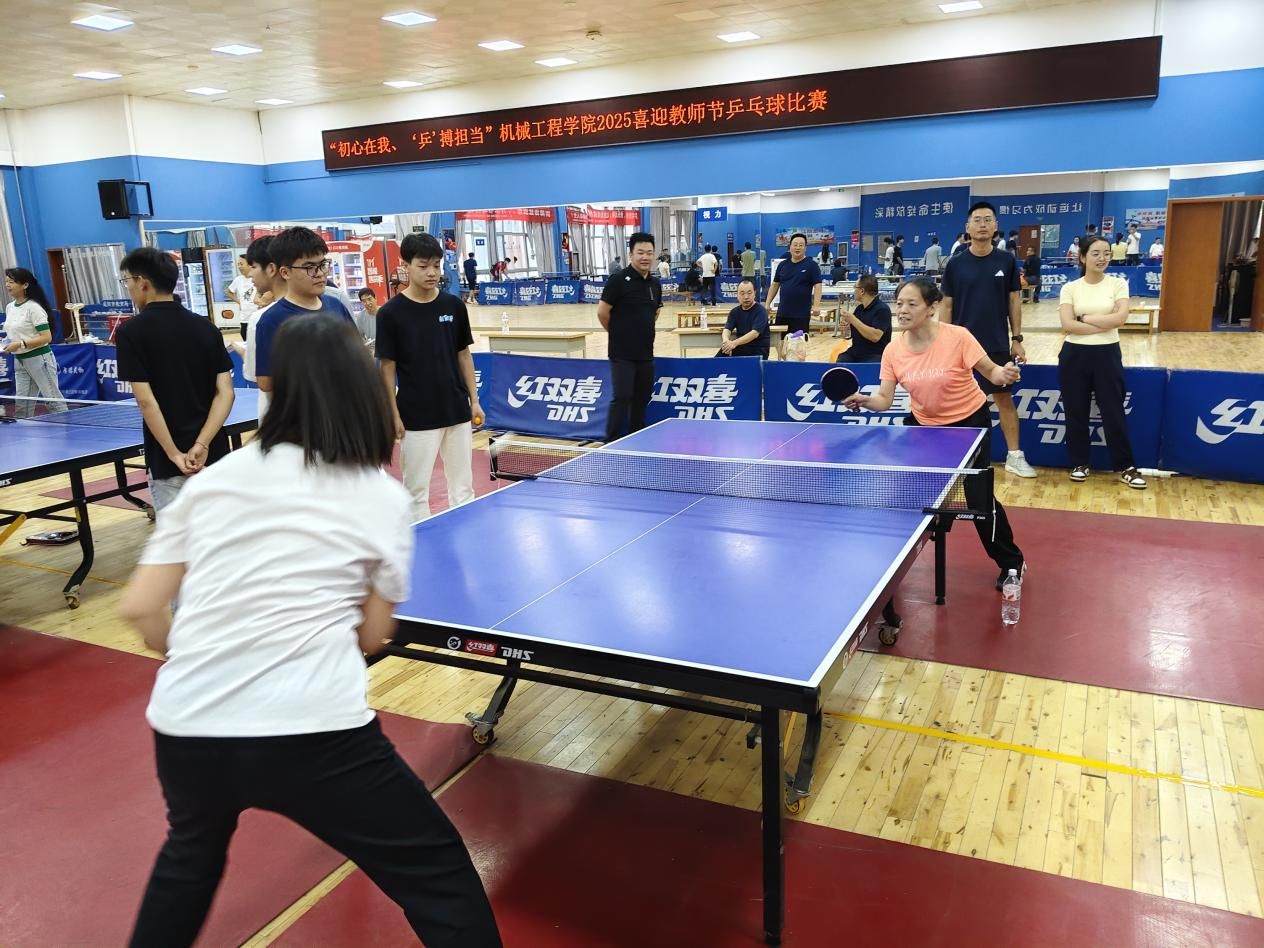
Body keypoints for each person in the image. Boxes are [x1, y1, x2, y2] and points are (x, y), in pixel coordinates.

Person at [120, 313, 502, 948]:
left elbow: (141, 607)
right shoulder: (376, 496)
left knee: (189, 860)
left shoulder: (215, 481)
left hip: (188, 728)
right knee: (434, 871)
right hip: (315, 735)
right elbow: (373, 635)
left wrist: (193, 650)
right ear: (359, 387)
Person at [843, 277, 1025, 589]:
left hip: (969, 424)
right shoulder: (893, 350)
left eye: (911, 304)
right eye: (899, 303)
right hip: (925, 427)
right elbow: (884, 400)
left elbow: (991, 372)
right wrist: (864, 400)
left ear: (932, 307)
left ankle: (1011, 562)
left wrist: (1004, 373)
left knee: (978, 498)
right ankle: (896, 561)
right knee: (912, 493)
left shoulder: (957, 337)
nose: (902, 310)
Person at [113, 247, 235, 512]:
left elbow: (146, 402)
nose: (128, 288)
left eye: (127, 281)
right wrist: (202, 443)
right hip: (214, 453)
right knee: (219, 531)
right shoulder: (206, 327)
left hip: (167, 461)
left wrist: (173, 454)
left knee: (177, 536)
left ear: (142, 282)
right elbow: (226, 392)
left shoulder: (130, 332)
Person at [376, 233, 481, 521]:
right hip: (416, 415)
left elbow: (463, 355)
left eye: (436, 265)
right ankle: (420, 542)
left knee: (463, 487)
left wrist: (474, 401)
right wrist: (393, 414)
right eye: (423, 266)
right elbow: (387, 368)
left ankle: (467, 535)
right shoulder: (390, 314)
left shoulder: (453, 306)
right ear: (406, 266)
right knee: (416, 492)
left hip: (456, 410)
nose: (432, 272)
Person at [941, 201, 1036, 478]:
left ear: (995, 226)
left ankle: (1015, 456)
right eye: (977, 220)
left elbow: (1014, 300)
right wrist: (942, 341)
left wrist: (1016, 338)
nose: (982, 224)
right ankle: (956, 457)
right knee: (959, 403)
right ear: (967, 227)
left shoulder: (1006, 261)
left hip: (995, 344)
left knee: (1004, 399)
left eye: (987, 220)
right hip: (960, 347)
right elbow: (947, 304)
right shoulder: (955, 264)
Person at [1057, 235, 1146, 490]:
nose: (1102, 258)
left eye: (1106, 253)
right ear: (1083, 257)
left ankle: (1126, 466)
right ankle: (1079, 463)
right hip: (1075, 355)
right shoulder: (1070, 288)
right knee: (1076, 411)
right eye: (1095, 253)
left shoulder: (1118, 284)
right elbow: (1067, 324)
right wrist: (1103, 323)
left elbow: (1120, 319)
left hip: (1108, 354)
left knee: (1113, 411)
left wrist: (1084, 318)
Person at [253, 227, 354, 396]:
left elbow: (356, 354)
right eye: (309, 267)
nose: (320, 274)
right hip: (303, 409)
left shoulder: (336, 305)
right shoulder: (272, 319)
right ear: (285, 272)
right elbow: (265, 381)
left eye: (323, 265)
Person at [599, 232, 662, 441]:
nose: (645, 257)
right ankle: (610, 443)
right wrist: (618, 334)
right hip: (622, 354)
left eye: (649, 253)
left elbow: (655, 312)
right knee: (622, 397)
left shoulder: (655, 284)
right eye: (640, 252)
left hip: (646, 354)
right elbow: (602, 312)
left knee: (642, 399)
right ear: (631, 254)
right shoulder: (618, 280)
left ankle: (636, 441)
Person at [2, 267, 66, 416]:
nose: (7, 285)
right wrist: (6, 342)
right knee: (22, 405)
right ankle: (22, 430)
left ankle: (68, 427)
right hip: (20, 360)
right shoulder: (10, 307)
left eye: (12, 282)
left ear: (25, 285)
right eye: (6, 281)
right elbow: (15, 334)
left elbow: (46, 337)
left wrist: (20, 344)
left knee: (53, 401)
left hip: (39, 359)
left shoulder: (34, 308)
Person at [764, 232, 822, 339]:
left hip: (801, 315)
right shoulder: (782, 265)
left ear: (805, 248)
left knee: (798, 344)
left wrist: (816, 305)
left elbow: (818, 285)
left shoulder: (812, 265)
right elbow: (775, 285)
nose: (797, 247)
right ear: (790, 247)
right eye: (795, 245)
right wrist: (767, 303)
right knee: (780, 343)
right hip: (783, 312)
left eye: (801, 245)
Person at [838, 274, 891, 363]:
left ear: (862, 291)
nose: (854, 290)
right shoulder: (859, 309)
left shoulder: (882, 309)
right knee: (842, 361)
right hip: (856, 352)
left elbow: (875, 336)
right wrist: (845, 329)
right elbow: (849, 336)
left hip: (876, 354)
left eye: (855, 287)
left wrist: (853, 320)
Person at [720, 277, 770, 359]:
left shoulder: (761, 311)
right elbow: (727, 329)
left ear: (754, 294)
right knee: (717, 360)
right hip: (740, 347)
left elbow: (754, 334)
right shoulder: (734, 312)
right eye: (742, 293)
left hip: (758, 350)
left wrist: (734, 343)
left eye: (749, 293)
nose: (746, 297)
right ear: (737, 295)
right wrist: (726, 341)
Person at [225, 255, 258, 325]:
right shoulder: (238, 280)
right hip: (244, 319)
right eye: (238, 264)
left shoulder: (257, 277)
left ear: (249, 265)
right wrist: (239, 301)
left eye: (241, 264)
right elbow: (228, 292)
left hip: (257, 317)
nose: (239, 267)